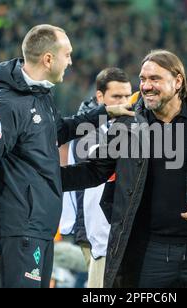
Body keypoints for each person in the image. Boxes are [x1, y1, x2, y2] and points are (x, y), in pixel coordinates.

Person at [0, 24, 133, 288]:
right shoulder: (6, 105)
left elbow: (57, 130)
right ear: (48, 58)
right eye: (67, 54)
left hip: (40, 230)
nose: (71, 61)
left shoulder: (41, 97)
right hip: (18, 232)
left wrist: (106, 112)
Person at [62, 50, 187, 288]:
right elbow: (95, 171)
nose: (146, 86)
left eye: (155, 79)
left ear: (178, 81)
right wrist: (47, 177)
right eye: (142, 79)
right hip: (148, 254)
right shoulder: (128, 124)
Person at [60, 67, 132, 288]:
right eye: (117, 96)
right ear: (100, 97)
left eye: (128, 96)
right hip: (95, 229)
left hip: (115, 227)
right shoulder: (86, 129)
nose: (124, 102)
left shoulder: (125, 123)